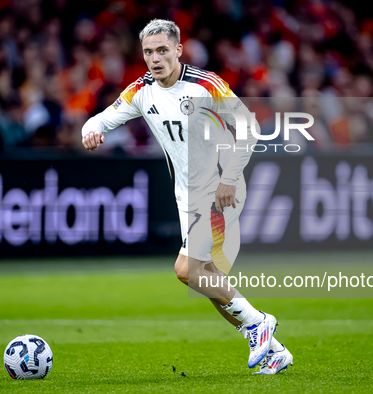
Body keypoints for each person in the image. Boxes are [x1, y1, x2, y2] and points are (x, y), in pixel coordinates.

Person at [81, 19, 292, 375]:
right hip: (188, 196)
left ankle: (259, 323)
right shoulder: (141, 91)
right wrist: (90, 131)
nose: (155, 58)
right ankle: (272, 351)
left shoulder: (207, 85)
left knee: (187, 270)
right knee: (209, 281)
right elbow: (100, 120)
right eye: (148, 52)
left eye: (163, 50)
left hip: (219, 189)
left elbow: (249, 128)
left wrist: (229, 177)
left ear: (179, 49)